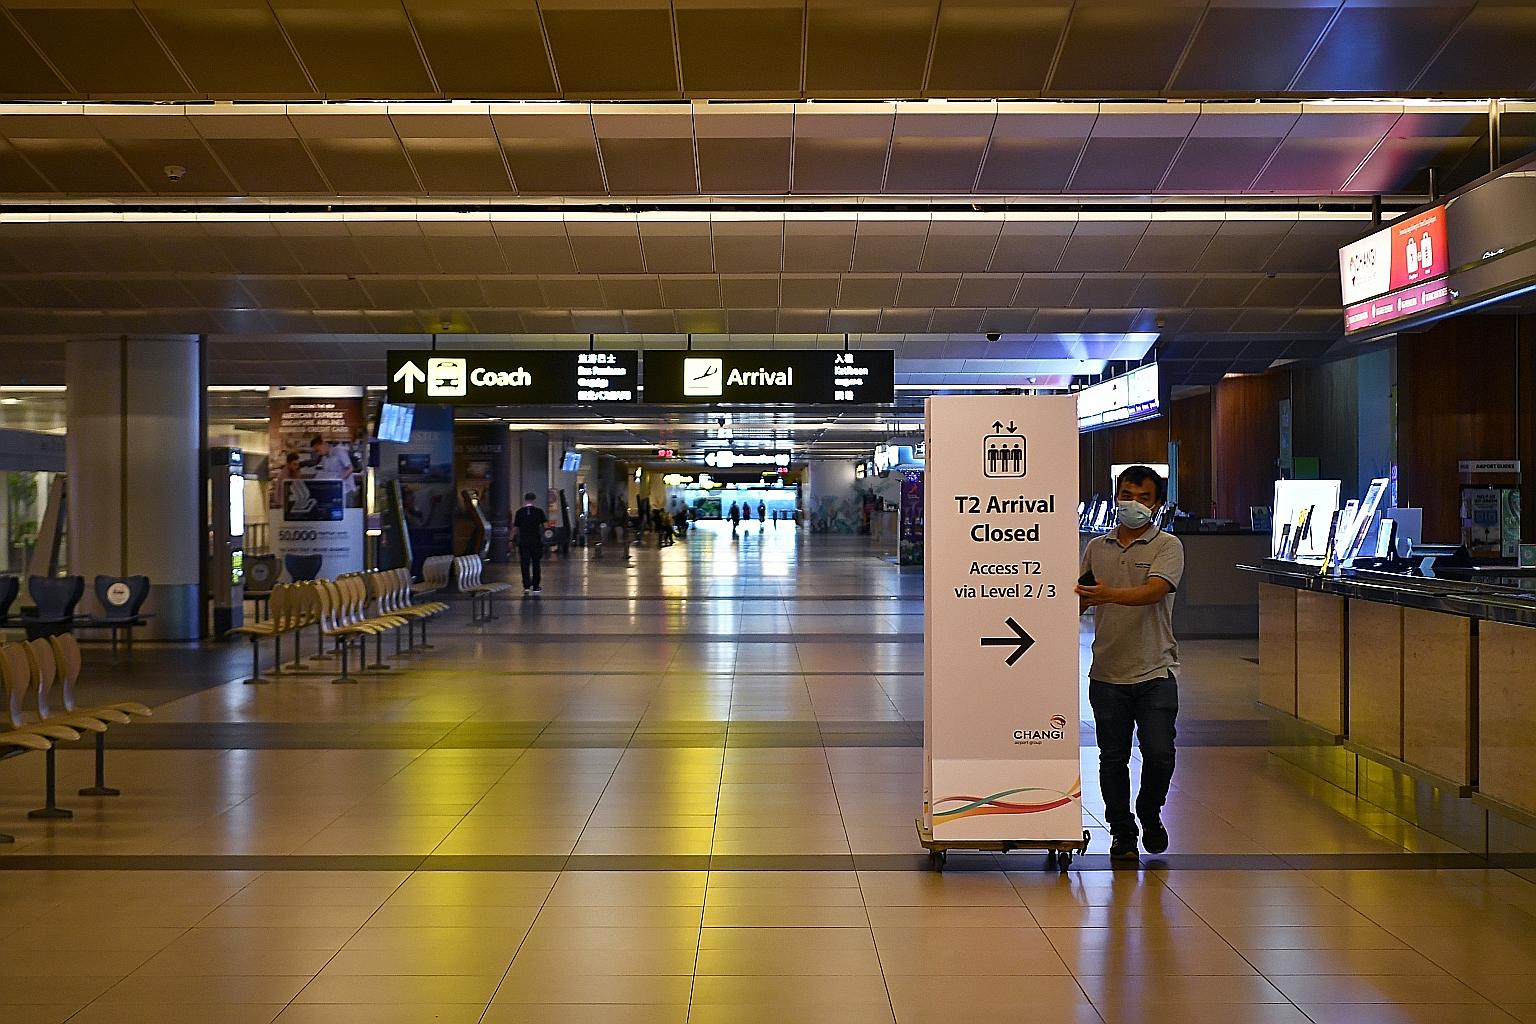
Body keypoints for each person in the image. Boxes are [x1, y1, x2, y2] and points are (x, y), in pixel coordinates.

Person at [1075, 465, 1183, 861]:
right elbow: (1082, 595)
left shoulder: (1167, 546)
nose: (1133, 504)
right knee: (1112, 757)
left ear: (1156, 504)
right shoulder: (1096, 547)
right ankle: (1121, 830)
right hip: (1107, 672)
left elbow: (1154, 592)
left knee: (1159, 753)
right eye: (1126, 494)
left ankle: (1150, 811)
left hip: (1156, 670)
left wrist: (1107, 595)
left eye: (1144, 498)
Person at [512, 492, 548, 594]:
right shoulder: (539, 512)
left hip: (523, 542)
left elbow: (515, 528)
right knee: (536, 563)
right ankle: (536, 586)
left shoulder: (520, 512)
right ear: (534, 500)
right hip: (536, 541)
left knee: (525, 564)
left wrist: (511, 540)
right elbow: (546, 526)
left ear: (525, 500)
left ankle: (526, 586)